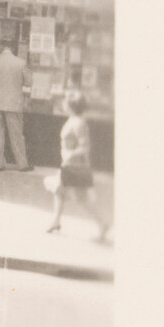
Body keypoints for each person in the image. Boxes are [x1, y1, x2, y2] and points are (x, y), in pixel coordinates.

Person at [47, 93, 111, 240]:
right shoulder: (74, 120)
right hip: (70, 165)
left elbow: (85, 147)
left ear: (71, 106)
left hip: (75, 167)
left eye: (65, 102)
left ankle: (102, 224)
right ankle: (56, 221)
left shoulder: (78, 123)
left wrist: (69, 156)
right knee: (59, 190)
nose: (63, 104)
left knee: (81, 199)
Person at [0, 40, 31, 171]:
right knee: (16, 134)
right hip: (14, 103)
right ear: (12, 48)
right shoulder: (21, 63)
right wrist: (25, 98)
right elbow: (28, 83)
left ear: (1, 47)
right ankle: (22, 164)